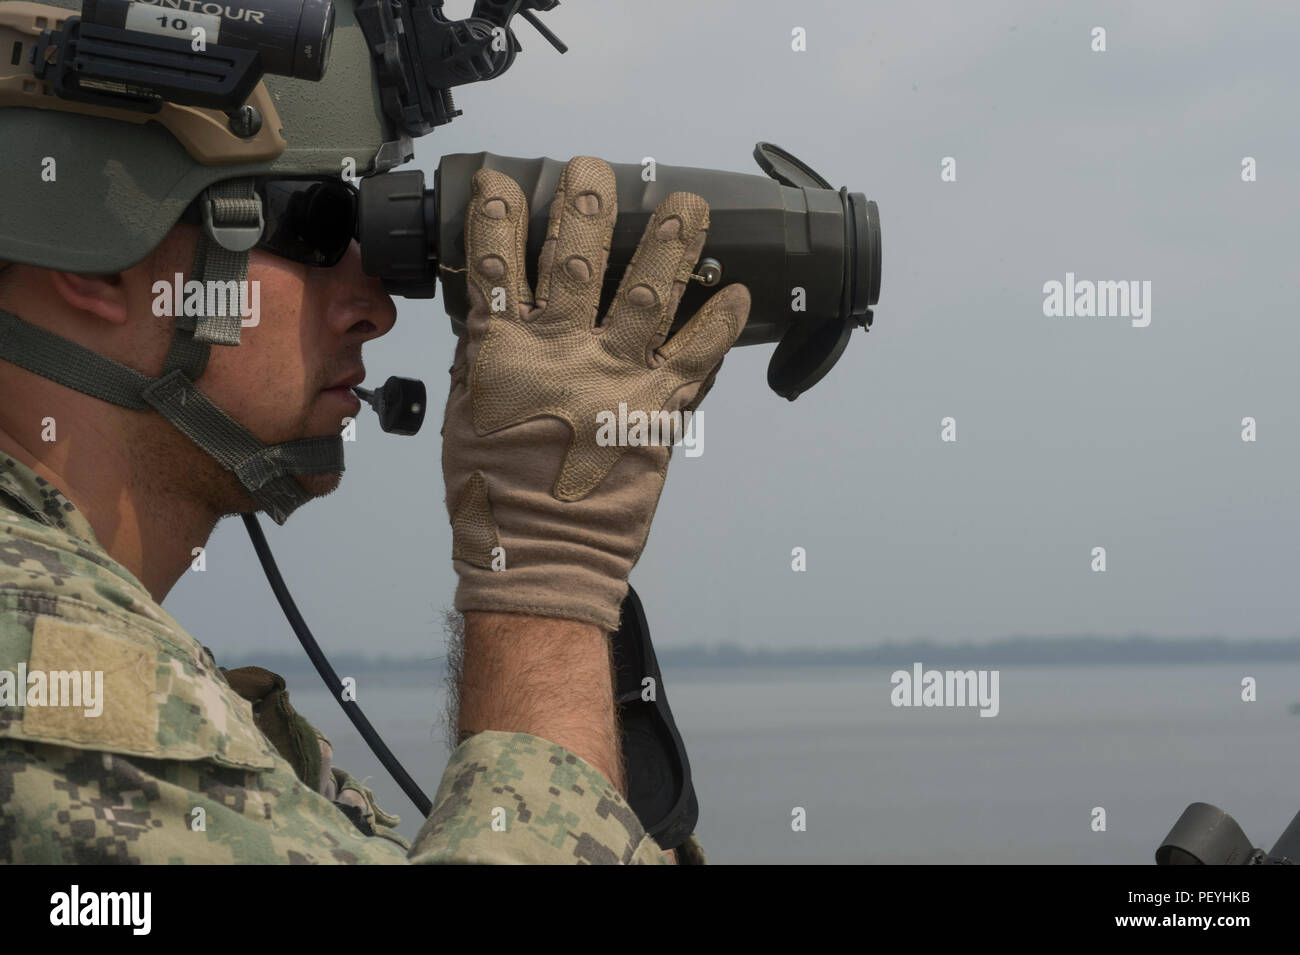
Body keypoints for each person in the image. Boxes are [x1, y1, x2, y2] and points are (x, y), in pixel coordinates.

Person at [0, 2, 748, 865]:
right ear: (95, 259)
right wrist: (549, 575)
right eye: (320, 223)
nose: (376, 310)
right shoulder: (41, 669)